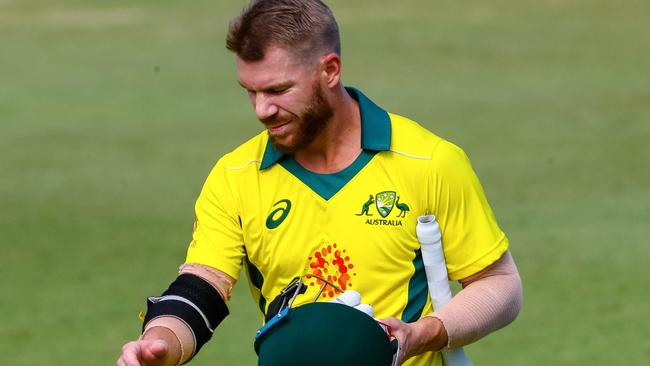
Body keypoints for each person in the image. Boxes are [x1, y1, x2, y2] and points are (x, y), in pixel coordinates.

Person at [116, 1, 523, 365]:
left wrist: (421, 335)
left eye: (278, 89)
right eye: (250, 92)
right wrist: (160, 342)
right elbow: (203, 285)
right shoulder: (235, 176)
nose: (262, 110)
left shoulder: (428, 162)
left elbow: (498, 284)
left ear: (330, 70)